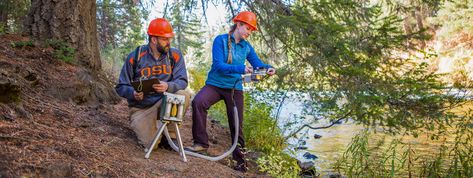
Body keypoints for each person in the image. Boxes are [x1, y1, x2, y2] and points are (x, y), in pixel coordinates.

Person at [186, 11, 276, 172]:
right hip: (215, 84)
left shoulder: (246, 46)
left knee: (236, 123)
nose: (249, 33)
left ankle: (241, 161)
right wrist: (241, 68)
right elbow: (218, 65)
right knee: (198, 102)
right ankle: (200, 143)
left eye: (251, 30)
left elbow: (257, 63)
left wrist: (268, 68)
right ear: (239, 25)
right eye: (247, 29)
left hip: (235, 88)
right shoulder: (220, 40)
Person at [115, 18, 190, 150]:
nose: (169, 43)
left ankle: (170, 135)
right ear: (154, 40)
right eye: (165, 39)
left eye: (170, 39)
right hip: (142, 108)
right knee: (151, 145)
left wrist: (168, 86)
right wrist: (133, 93)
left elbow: (182, 80)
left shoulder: (175, 55)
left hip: (164, 102)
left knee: (183, 95)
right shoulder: (135, 57)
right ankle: (150, 128)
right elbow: (121, 86)